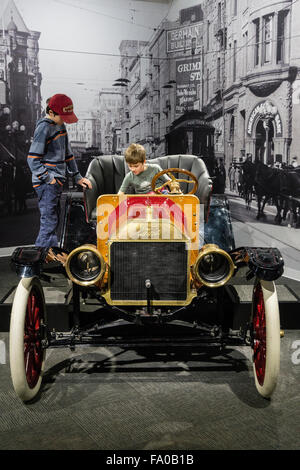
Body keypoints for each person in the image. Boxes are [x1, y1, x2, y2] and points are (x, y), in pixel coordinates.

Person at [27, 93, 92, 248]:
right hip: (47, 182)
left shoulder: (60, 126)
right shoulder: (43, 127)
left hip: (55, 181)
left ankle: (49, 254)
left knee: (53, 218)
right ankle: (39, 259)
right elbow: (32, 159)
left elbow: (68, 154)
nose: (65, 120)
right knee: (49, 221)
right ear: (51, 112)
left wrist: (78, 177)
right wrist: (49, 178)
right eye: (62, 116)